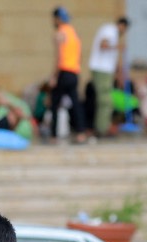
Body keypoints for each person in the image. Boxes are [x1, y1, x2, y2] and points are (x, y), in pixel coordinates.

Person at [50, 7, 89, 143]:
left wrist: (54, 76)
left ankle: (53, 135)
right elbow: (79, 56)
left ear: (57, 19)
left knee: (54, 102)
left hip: (64, 71)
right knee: (76, 103)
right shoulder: (73, 33)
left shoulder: (60, 33)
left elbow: (59, 57)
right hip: (74, 72)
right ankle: (81, 132)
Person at [88, 17, 129, 138]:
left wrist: (119, 74)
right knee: (105, 100)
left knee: (107, 100)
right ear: (122, 25)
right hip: (101, 69)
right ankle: (101, 129)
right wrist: (118, 47)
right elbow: (103, 45)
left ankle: (103, 126)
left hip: (106, 71)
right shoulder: (110, 30)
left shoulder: (114, 34)